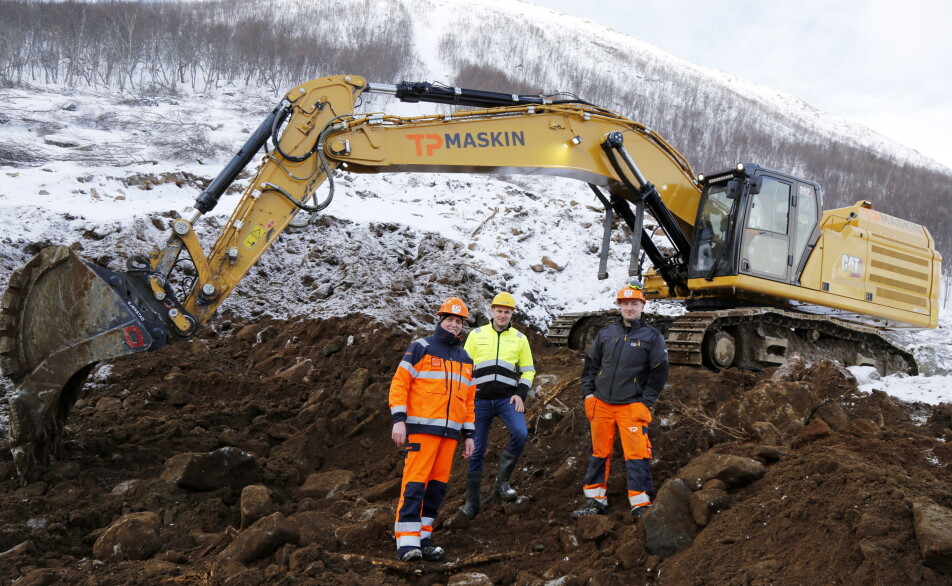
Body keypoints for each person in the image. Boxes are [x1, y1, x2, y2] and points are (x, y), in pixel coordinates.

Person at [389, 297, 476, 562]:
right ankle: (406, 542)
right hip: (421, 431)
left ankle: (423, 538)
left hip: (449, 436)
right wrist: (398, 419)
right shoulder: (421, 347)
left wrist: (469, 435)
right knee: (414, 485)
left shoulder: (466, 358)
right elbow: (399, 384)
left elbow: (469, 401)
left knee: (436, 489)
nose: (453, 324)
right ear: (440, 320)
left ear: (462, 327)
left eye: (458, 321)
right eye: (449, 319)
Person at [572, 280, 668, 519]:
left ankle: (640, 503)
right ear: (620, 306)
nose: (630, 308)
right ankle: (594, 500)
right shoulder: (606, 334)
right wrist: (588, 393)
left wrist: (646, 402)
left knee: (637, 453)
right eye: (625, 303)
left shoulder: (652, 337)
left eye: (634, 303)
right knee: (599, 452)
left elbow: (659, 371)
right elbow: (591, 365)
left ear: (642, 306)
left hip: (631, 406)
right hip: (602, 404)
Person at [460, 292, 536, 519]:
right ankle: (472, 501)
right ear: (492, 311)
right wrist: (465, 398)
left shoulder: (520, 338)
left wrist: (521, 393)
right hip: (479, 401)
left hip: (506, 400)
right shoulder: (476, 334)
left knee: (521, 433)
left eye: (507, 311)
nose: (503, 315)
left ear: (512, 313)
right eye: (499, 310)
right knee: (476, 450)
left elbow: (529, 370)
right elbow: (464, 367)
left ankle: (502, 481)